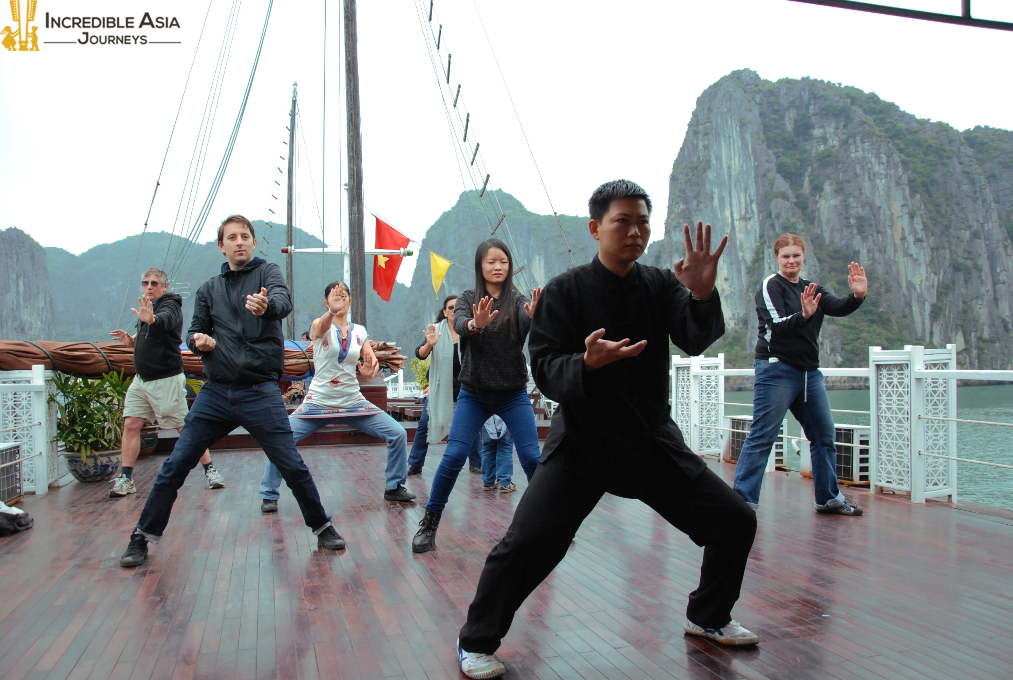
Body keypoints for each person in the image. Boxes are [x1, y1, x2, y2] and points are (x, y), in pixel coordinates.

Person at [455, 180, 758, 679]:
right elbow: (546, 368)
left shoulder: (660, 285)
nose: (635, 232)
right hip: (584, 443)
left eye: (643, 222)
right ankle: (476, 641)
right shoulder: (565, 291)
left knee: (734, 522)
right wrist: (586, 362)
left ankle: (708, 616)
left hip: (650, 439)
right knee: (528, 542)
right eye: (624, 221)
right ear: (597, 228)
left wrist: (702, 294)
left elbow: (694, 337)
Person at [119, 215, 345, 568]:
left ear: (253, 243)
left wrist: (266, 306)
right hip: (216, 392)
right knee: (176, 464)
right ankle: (143, 535)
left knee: (291, 465)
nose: (239, 242)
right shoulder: (209, 289)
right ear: (221, 246)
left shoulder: (268, 274)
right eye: (232, 237)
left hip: (260, 391)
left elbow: (283, 303)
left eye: (245, 236)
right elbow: (194, 332)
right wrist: (200, 342)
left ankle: (322, 524)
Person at [411, 239, 543, 554]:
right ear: (480, 266)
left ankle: (550, 522)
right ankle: (429, 523)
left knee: (532, 458)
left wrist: (537, 315)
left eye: (503, 261)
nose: (498, 267)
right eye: (491, 261)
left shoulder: (518, 299)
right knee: (455, 455)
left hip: (512, 394)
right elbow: (459, 323)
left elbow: (527, 322)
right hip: (475, 394)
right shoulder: (469, 298)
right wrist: (475, 323)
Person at [732, 234, 868, 515]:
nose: (791, 260)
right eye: (786, 256)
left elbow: (838, 307)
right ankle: (742, 504)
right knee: (762, 436)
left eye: (796, 255)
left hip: (809, 374)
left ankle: (828, 499)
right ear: (777, 258)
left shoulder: (811, 288)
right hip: (776, 370)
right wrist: (804, 315)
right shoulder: (771, 286)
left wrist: (858, 296)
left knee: (824, 436)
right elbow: (777, 327)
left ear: (803, 256)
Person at [259, 281, 416, 510]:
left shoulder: (360, 331)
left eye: (344, 296)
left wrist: (368, 368)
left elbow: (368, 359)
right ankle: (269, 494)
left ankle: (394, 486)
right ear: (327, 302)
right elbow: (320, 328)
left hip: (352, 401)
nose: (340, 299)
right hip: (318, 402)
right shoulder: (320, 326)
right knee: (281, 440)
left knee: (397, 433)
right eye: (335, 296)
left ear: (350, 300)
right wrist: (331, 312)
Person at [109, 267, 224, 497]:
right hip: (141, 380)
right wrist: (129, 342)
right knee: (131, 424)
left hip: (166, 380)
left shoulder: (170, 305)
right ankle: (126, 478)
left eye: (154, 283)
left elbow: (164, 321)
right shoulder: (146, 309)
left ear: (164, 286)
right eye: (145, 283)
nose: (149, 287)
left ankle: (210, 470)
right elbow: (147, 338)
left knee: (185, 428)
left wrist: (151, 318)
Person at [407, 296, 482, 476]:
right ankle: (416, 463)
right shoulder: (436, 331)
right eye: (450, 307)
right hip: (440, 384)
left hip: (466, 383)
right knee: (425, 422)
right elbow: (420, 354)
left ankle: (477, 463)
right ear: (444, 311)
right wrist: (430, 344)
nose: (453, 311)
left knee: (470, 423)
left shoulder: (469, 330)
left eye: (457, 308)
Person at [480, 415, 515, 493]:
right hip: (505, 420)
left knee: (488, 450)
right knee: (505, 449)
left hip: (488, 421)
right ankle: (505, 483)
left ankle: (488, 482)